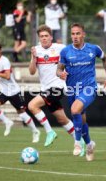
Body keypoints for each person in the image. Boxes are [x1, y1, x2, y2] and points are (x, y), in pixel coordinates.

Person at [57, 23, 106, 161]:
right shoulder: (65, 52)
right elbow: (58, 69)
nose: (75, 36)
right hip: (72, 90)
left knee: (75, 110)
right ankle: (89, 144)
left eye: (78, 33)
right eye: (73, 34)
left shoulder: (93, 49)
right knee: (81, 119)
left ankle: (77, 143)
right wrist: (60, 74)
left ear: (83, 34)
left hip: (89, 88)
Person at [28, 25, 85, 154]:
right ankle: (79, 142)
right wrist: (33, 57)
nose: (44, 38)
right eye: (41, 36)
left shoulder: (60, 48)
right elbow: (32, 72)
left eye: (46, 36)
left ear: (51, 37)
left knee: (32, 105)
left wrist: (69, 73)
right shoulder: (36, 50)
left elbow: (72, 60)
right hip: (46, 88)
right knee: (62, 119)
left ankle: (49, 132)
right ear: (39, 38)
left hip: (58, 87)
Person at [0, 41, 40, 143]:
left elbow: (7, 76)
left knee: (22, 114)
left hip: (14, 91)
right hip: (4, 91)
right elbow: (0, 74)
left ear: (0, 50)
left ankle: (35, 131)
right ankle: (7, 122)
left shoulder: (5, 60)